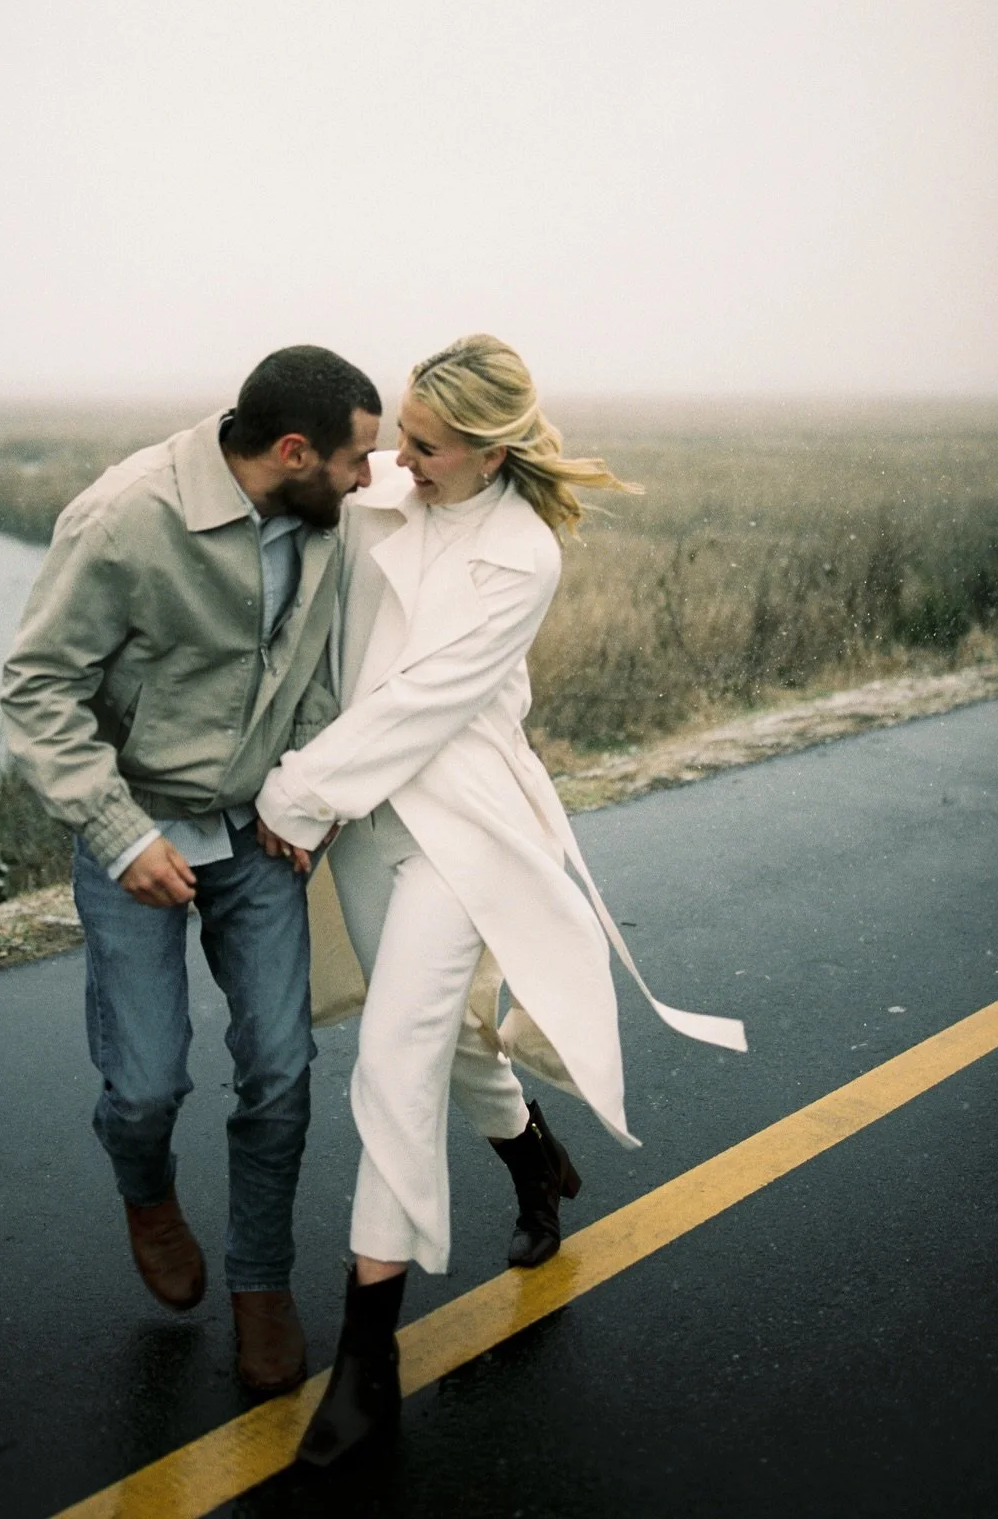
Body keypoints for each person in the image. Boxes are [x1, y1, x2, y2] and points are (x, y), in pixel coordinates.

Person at [255, 334, 746, 1465]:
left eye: (423, 445)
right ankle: (530, 1152)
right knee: (445, 1036)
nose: (400, 459)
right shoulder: (393, 488)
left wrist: (297, 792)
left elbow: (421, 704)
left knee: (393, 1057)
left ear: (484, 450)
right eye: (401, 439)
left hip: (461, 831)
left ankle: (367, 1359)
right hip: (367, 827)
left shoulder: (521, 557)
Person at [0, 345, 382, 1396]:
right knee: (147, 1084)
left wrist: (303, 793)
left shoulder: (321, 522)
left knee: (281, 1070)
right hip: (137, 836)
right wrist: (121, 835)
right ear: (293, 449)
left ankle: (262, 1282)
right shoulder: (124, 517)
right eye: (355, 459)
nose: (366, 481)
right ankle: (147, 1188)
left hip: (258, 837)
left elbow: (312, 672)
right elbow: (36, 693)